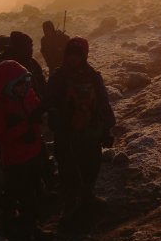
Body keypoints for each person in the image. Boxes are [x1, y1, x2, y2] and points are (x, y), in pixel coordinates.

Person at [47, 37, 115, 224]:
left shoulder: (92, 76)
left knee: (91, 165)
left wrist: (107, 128)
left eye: (77, 55)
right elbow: (49, 103)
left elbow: (102, 103)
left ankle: (87, 197)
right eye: (70, 54)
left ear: (84, 56)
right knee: (68, 170)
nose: (73, 59)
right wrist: (56, 121)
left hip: (90, 130)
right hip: (66, 133)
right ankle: (70, 208)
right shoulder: (58, 78)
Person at [0, 60, 47, 241]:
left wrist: (39, 117)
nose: (25, 86)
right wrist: (25, 127)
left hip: (35, 154)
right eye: (19, 83)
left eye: (26, 81)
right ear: (7, 86)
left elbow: (37, 111)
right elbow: (1, 137)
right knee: (27, 200)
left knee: (37, 193)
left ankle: (31, 229)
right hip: (16, 161)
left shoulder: (28, 95)